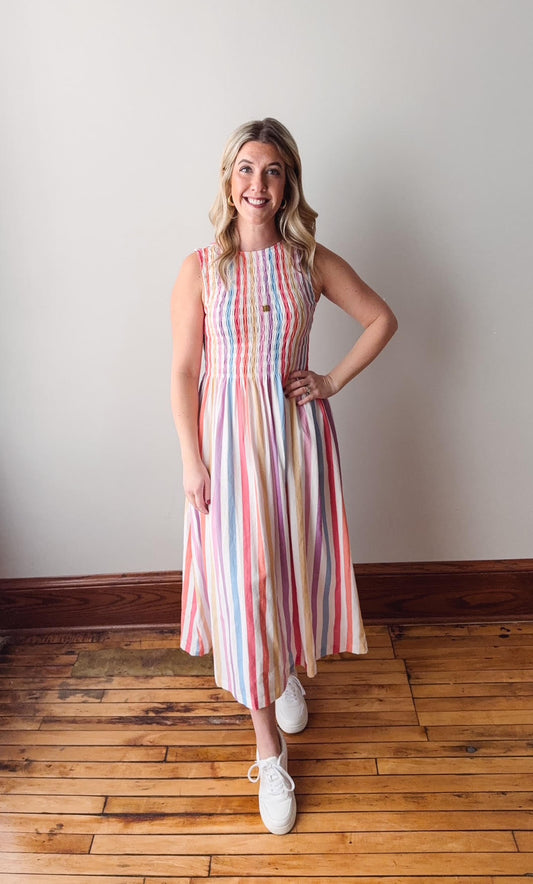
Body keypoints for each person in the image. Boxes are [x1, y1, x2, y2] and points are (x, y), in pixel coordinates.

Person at [171, 118, 397, 835]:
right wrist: (189, 456)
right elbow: (181, 371)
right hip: (224, 445)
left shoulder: (309, 262)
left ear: (287, 183)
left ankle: (286, 669)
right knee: (241, 588)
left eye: (270, 171)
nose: (256, 184)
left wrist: (328, 382)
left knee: (286, 571)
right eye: (244, 168)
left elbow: (380, 319)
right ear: (227, 179)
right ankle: (268, 750)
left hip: (294, 441)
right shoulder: (200, 267)